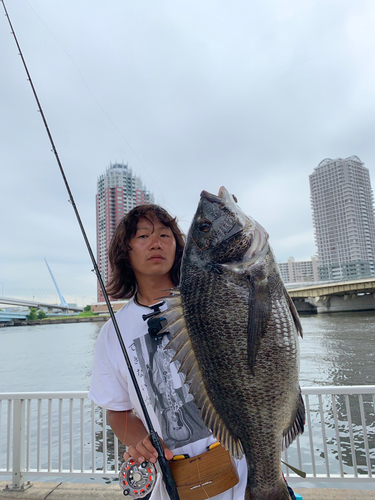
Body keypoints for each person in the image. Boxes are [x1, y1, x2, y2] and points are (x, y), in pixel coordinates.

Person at [88, 204, 296, 500]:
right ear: (126, 251)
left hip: (249, 471)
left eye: (165, 234)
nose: (156, 243)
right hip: (174, 484)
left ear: (180, 246)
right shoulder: (112, 333)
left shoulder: (213, 299)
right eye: (143, 236)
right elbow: (116, 411)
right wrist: (140, 441)